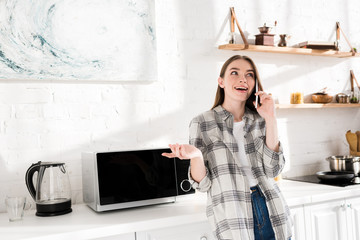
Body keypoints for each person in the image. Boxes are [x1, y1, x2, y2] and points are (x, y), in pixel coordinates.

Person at [162, 55, 292, 240]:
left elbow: (273, 169)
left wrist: (271, 118)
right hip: (233, 213)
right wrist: (197, 156)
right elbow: (203, 184)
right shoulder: (202, 123)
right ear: (221, 82)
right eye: (234, 72)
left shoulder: (260, 119)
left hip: (272, 208)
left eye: (249, 74)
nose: (243, 79)